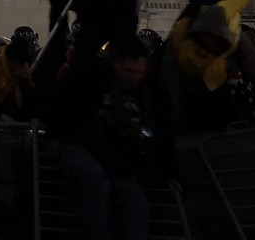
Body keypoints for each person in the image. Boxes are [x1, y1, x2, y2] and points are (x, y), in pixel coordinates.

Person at [55, 38, 178, 240]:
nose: (134, 78)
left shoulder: (148, 92)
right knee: (95, 179)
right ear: (116, 65)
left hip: (113, 155)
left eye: (139, 72)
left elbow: (162, 131)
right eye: (129, 72)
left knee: (134, 202)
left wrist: (170, 172)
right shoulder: (97, 82)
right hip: (88, 146)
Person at [160, 3, 255, 132]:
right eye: (208, 39)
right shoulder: (178, 37)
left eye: (217, 41)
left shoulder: (234, 35)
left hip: (219, 92)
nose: (211, 46)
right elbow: (169, 83)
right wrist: (171, 125)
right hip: (188, 92)